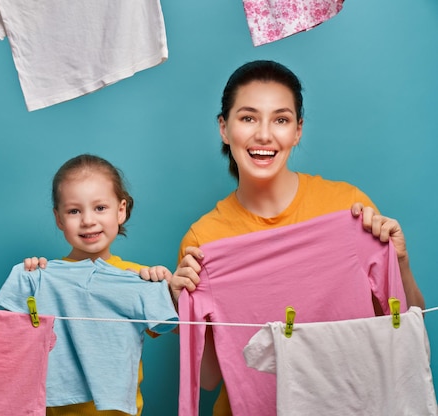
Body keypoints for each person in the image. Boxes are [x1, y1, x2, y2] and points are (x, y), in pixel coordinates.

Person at [168, 60, 425, 415]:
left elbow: (408, 335)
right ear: (224, 129)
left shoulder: (348, 210)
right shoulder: (203, 239)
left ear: (298, 130)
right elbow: (209, 378)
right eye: (248, 118)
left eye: (281, 119)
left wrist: (400, 263)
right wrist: (179, 307)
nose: (264, 135)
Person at [22, 153, 173, 416]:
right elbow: (25, 334)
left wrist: (169, 290)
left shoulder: (137, 277)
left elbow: (181, 329)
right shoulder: (44, 277)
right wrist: (32, 286)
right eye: (74, 211)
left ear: (121, 210)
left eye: (100, 208)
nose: (88, 220)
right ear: (59, 219)